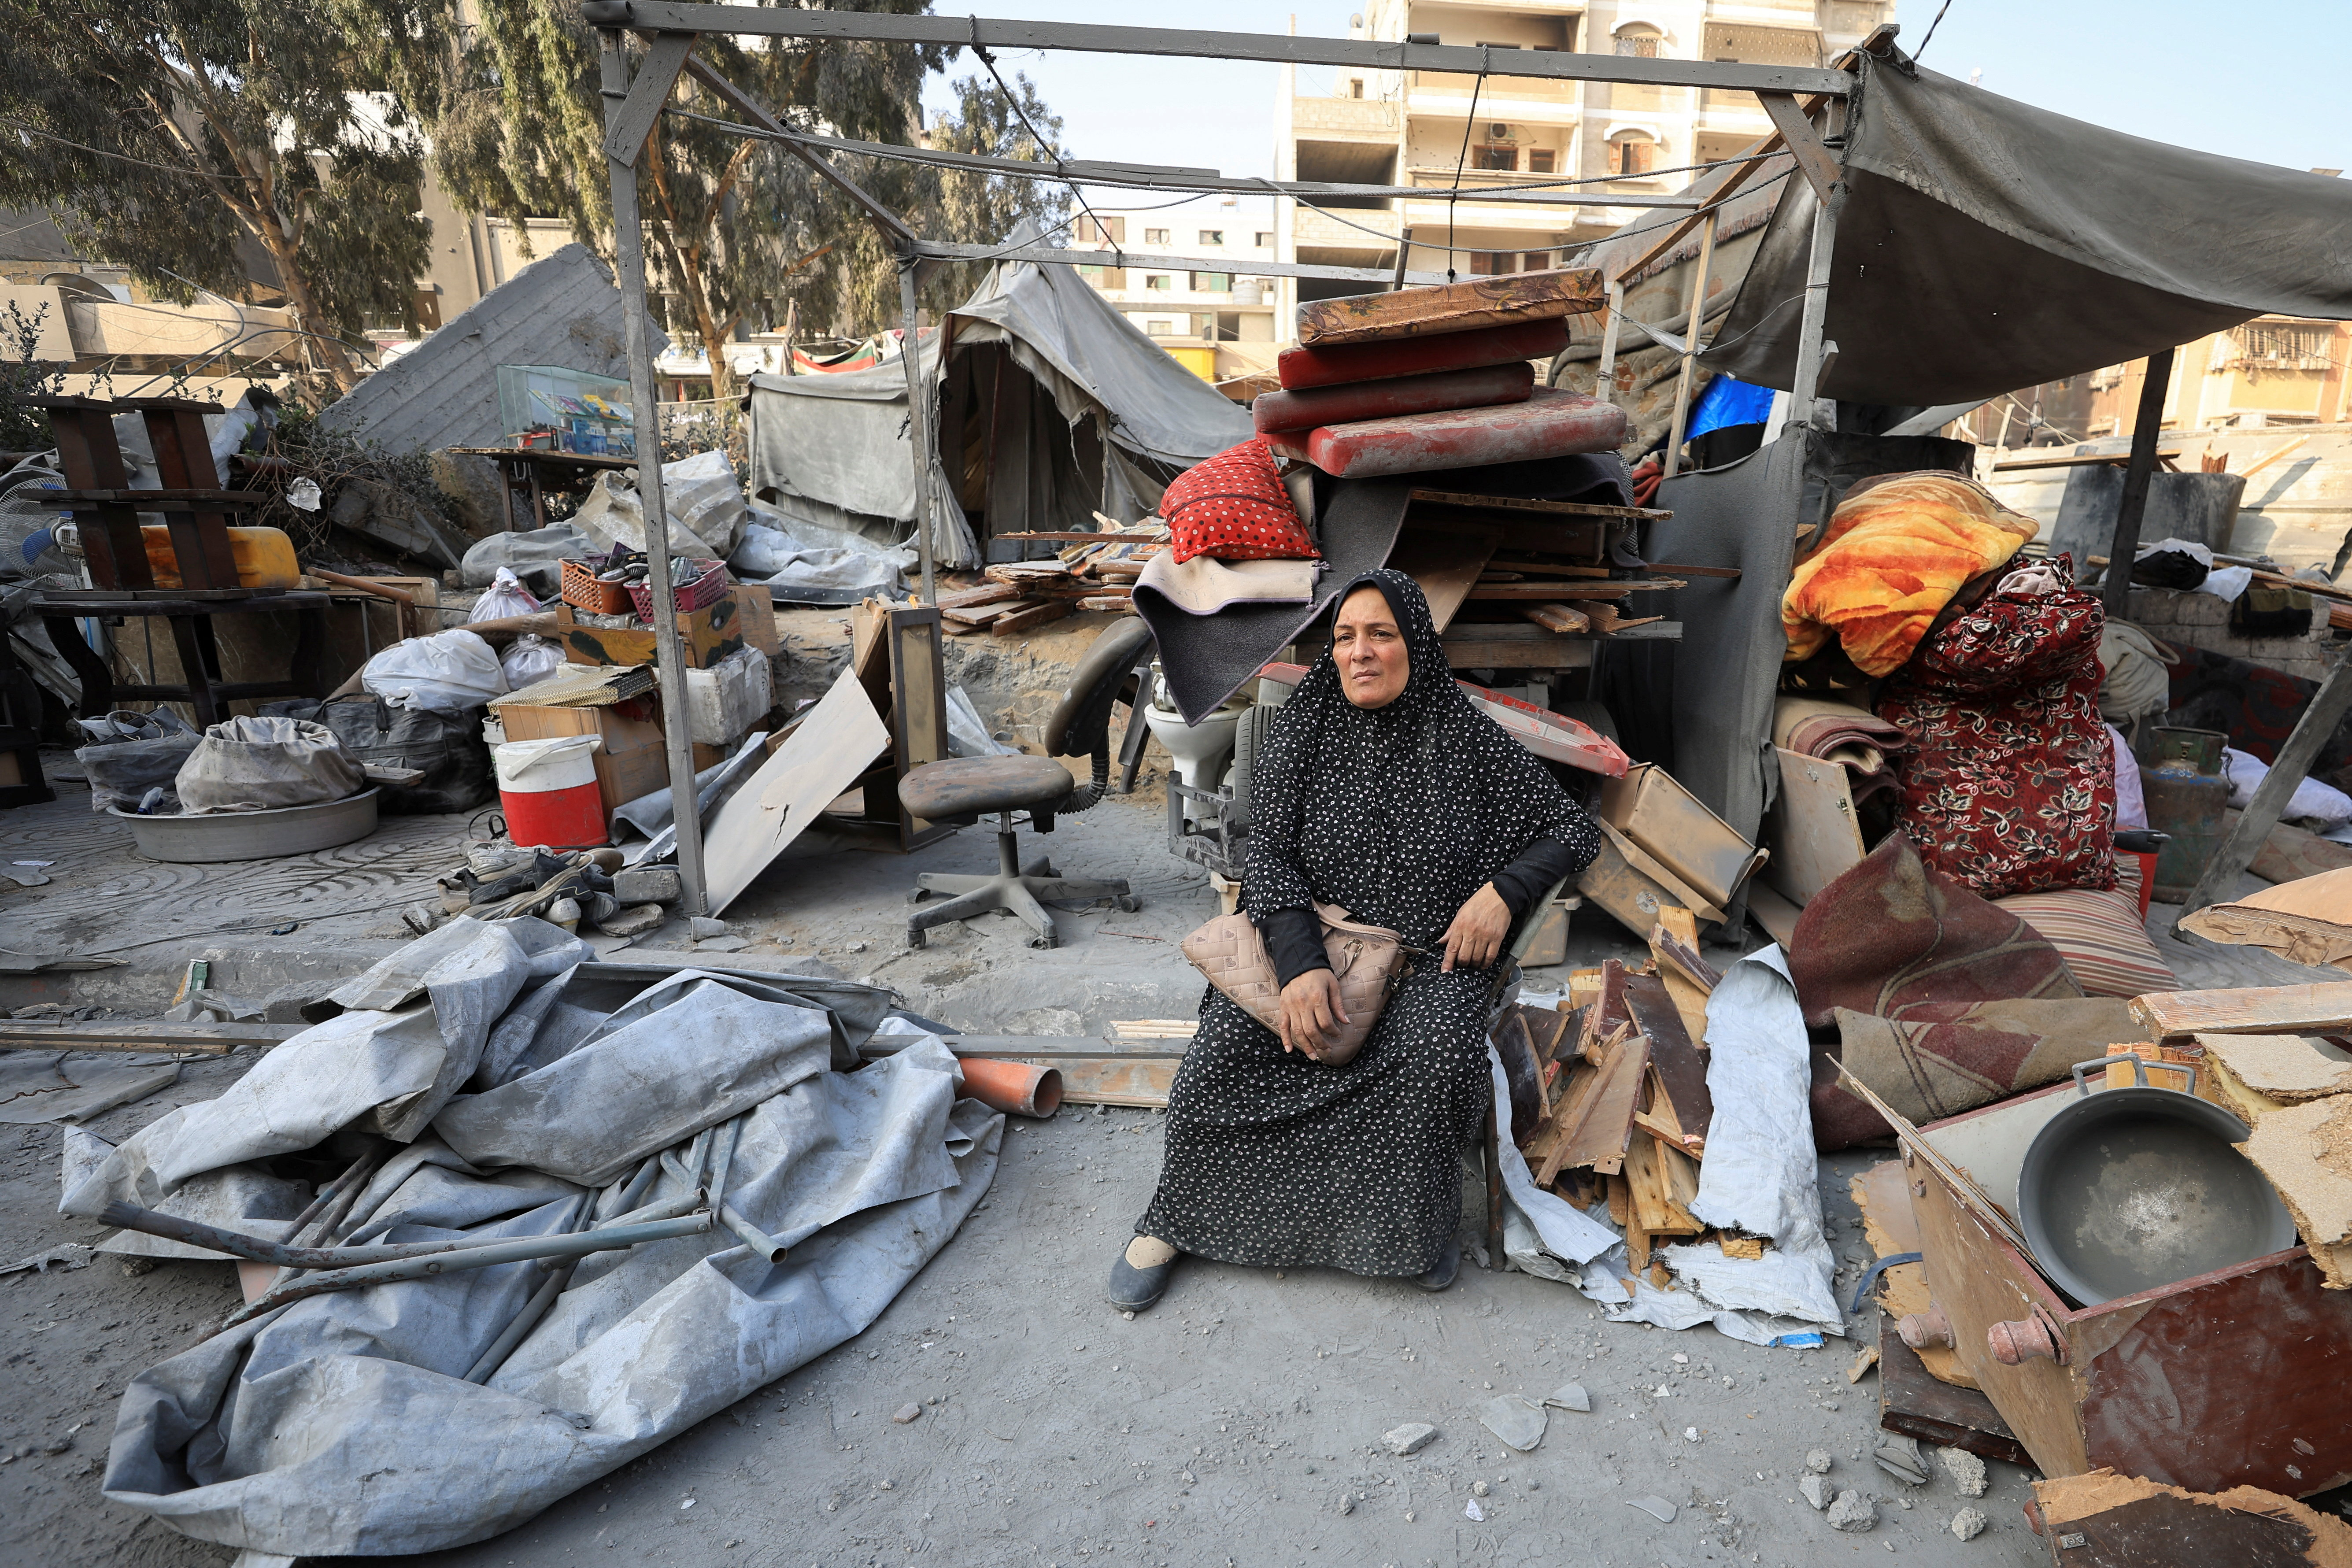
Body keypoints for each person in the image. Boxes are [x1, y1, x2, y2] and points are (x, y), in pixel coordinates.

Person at [1111, 570, 1602, 1310]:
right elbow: (1268, 854)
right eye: (1344, 637)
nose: (1359, 653)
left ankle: (1406, 1232)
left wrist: (1503, 892)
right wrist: (1302, 968)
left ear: (1417, 646)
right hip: (1316, 942)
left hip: (1427, 961)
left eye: (1381, 634)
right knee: (1224, 1054)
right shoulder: (1302, 726)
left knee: (1439, 1049)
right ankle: (1180, 1220)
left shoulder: (1462, 735)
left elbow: (1575, 829)